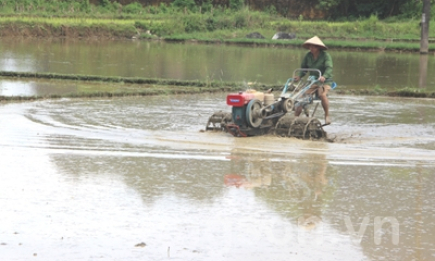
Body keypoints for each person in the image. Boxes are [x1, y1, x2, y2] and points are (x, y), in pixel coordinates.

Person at [293, 36, 333, 125]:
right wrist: (299, 76)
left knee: (322, 95)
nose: (311, 48)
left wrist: (324, 76)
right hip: (313, 81)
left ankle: (327, 116)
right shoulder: (308, 56)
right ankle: (295, 118)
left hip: (324, 81)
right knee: (300, 97)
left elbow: (329, 68)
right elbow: (304, 69)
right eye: (310, 46)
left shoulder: (325, 56)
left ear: (318, 47)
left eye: (313, 47)